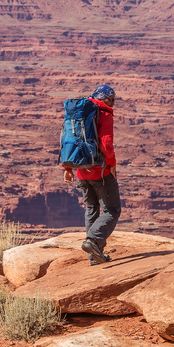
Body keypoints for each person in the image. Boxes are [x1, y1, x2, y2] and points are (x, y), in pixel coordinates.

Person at [63, 84, 120, 265]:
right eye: (112, 99)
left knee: (91, 209)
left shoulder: (78, 112)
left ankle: (95, 256)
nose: (113, 103)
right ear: (105, 98)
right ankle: (93, 241)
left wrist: (68, 168)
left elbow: (66, 139)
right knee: (112, 210)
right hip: (100, 171)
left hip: (82, 171)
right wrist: (112, 164)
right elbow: (106, 143)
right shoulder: (104, 113)